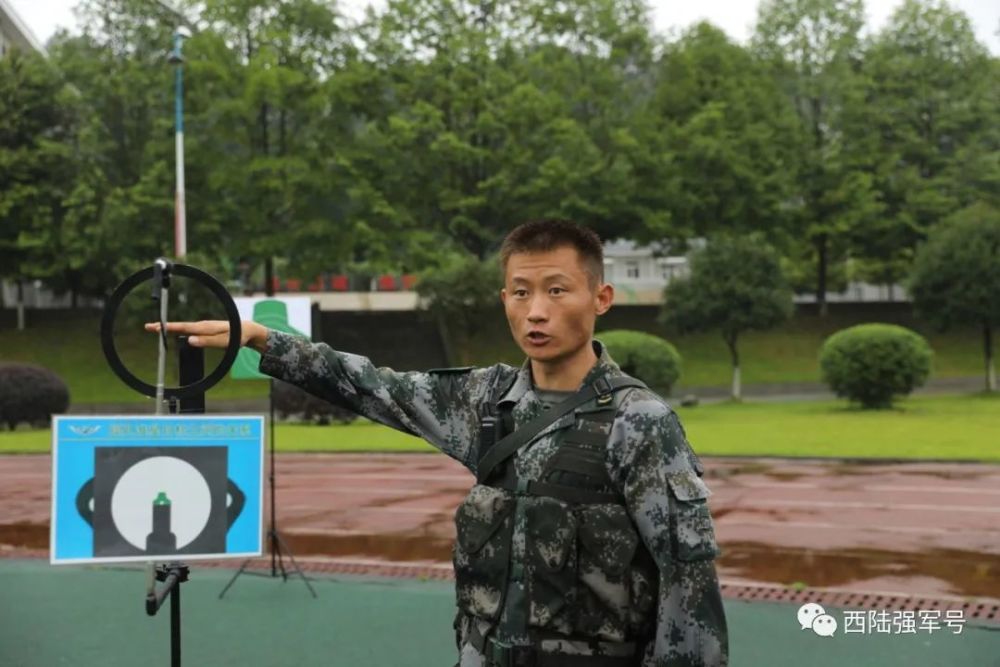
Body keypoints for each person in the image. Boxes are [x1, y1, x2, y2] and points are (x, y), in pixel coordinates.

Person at [146, 219, 728, 666]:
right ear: (504, 300)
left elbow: (688, 587)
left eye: (557, 290)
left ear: (601, 299)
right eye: (520, 293)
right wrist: (260, 339)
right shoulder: (485, 402)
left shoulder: (640, 423)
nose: (537, 312)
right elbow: (374, 387)